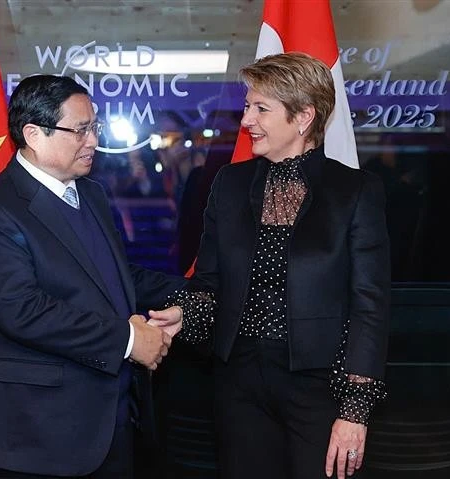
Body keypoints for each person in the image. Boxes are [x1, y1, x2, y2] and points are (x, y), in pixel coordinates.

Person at [149, 52, 390, 479]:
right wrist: (184, 315)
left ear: (303, 117)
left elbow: (369, 306)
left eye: (261, 108)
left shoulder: (355, 191)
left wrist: (355, 411)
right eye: (247, 107)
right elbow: (209, 285)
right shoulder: (229, 184)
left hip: (320, 389)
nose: (246, 121)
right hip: (238, 383)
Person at [0, 74, 186, 479]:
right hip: (36, 436)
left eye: (94, 127)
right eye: (81, 130)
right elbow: (23, 310)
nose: (94, 141)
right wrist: (130, 340)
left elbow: (114, 277)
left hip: (111, 425)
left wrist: (195, 291)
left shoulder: (91, 193)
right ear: (34, 134)